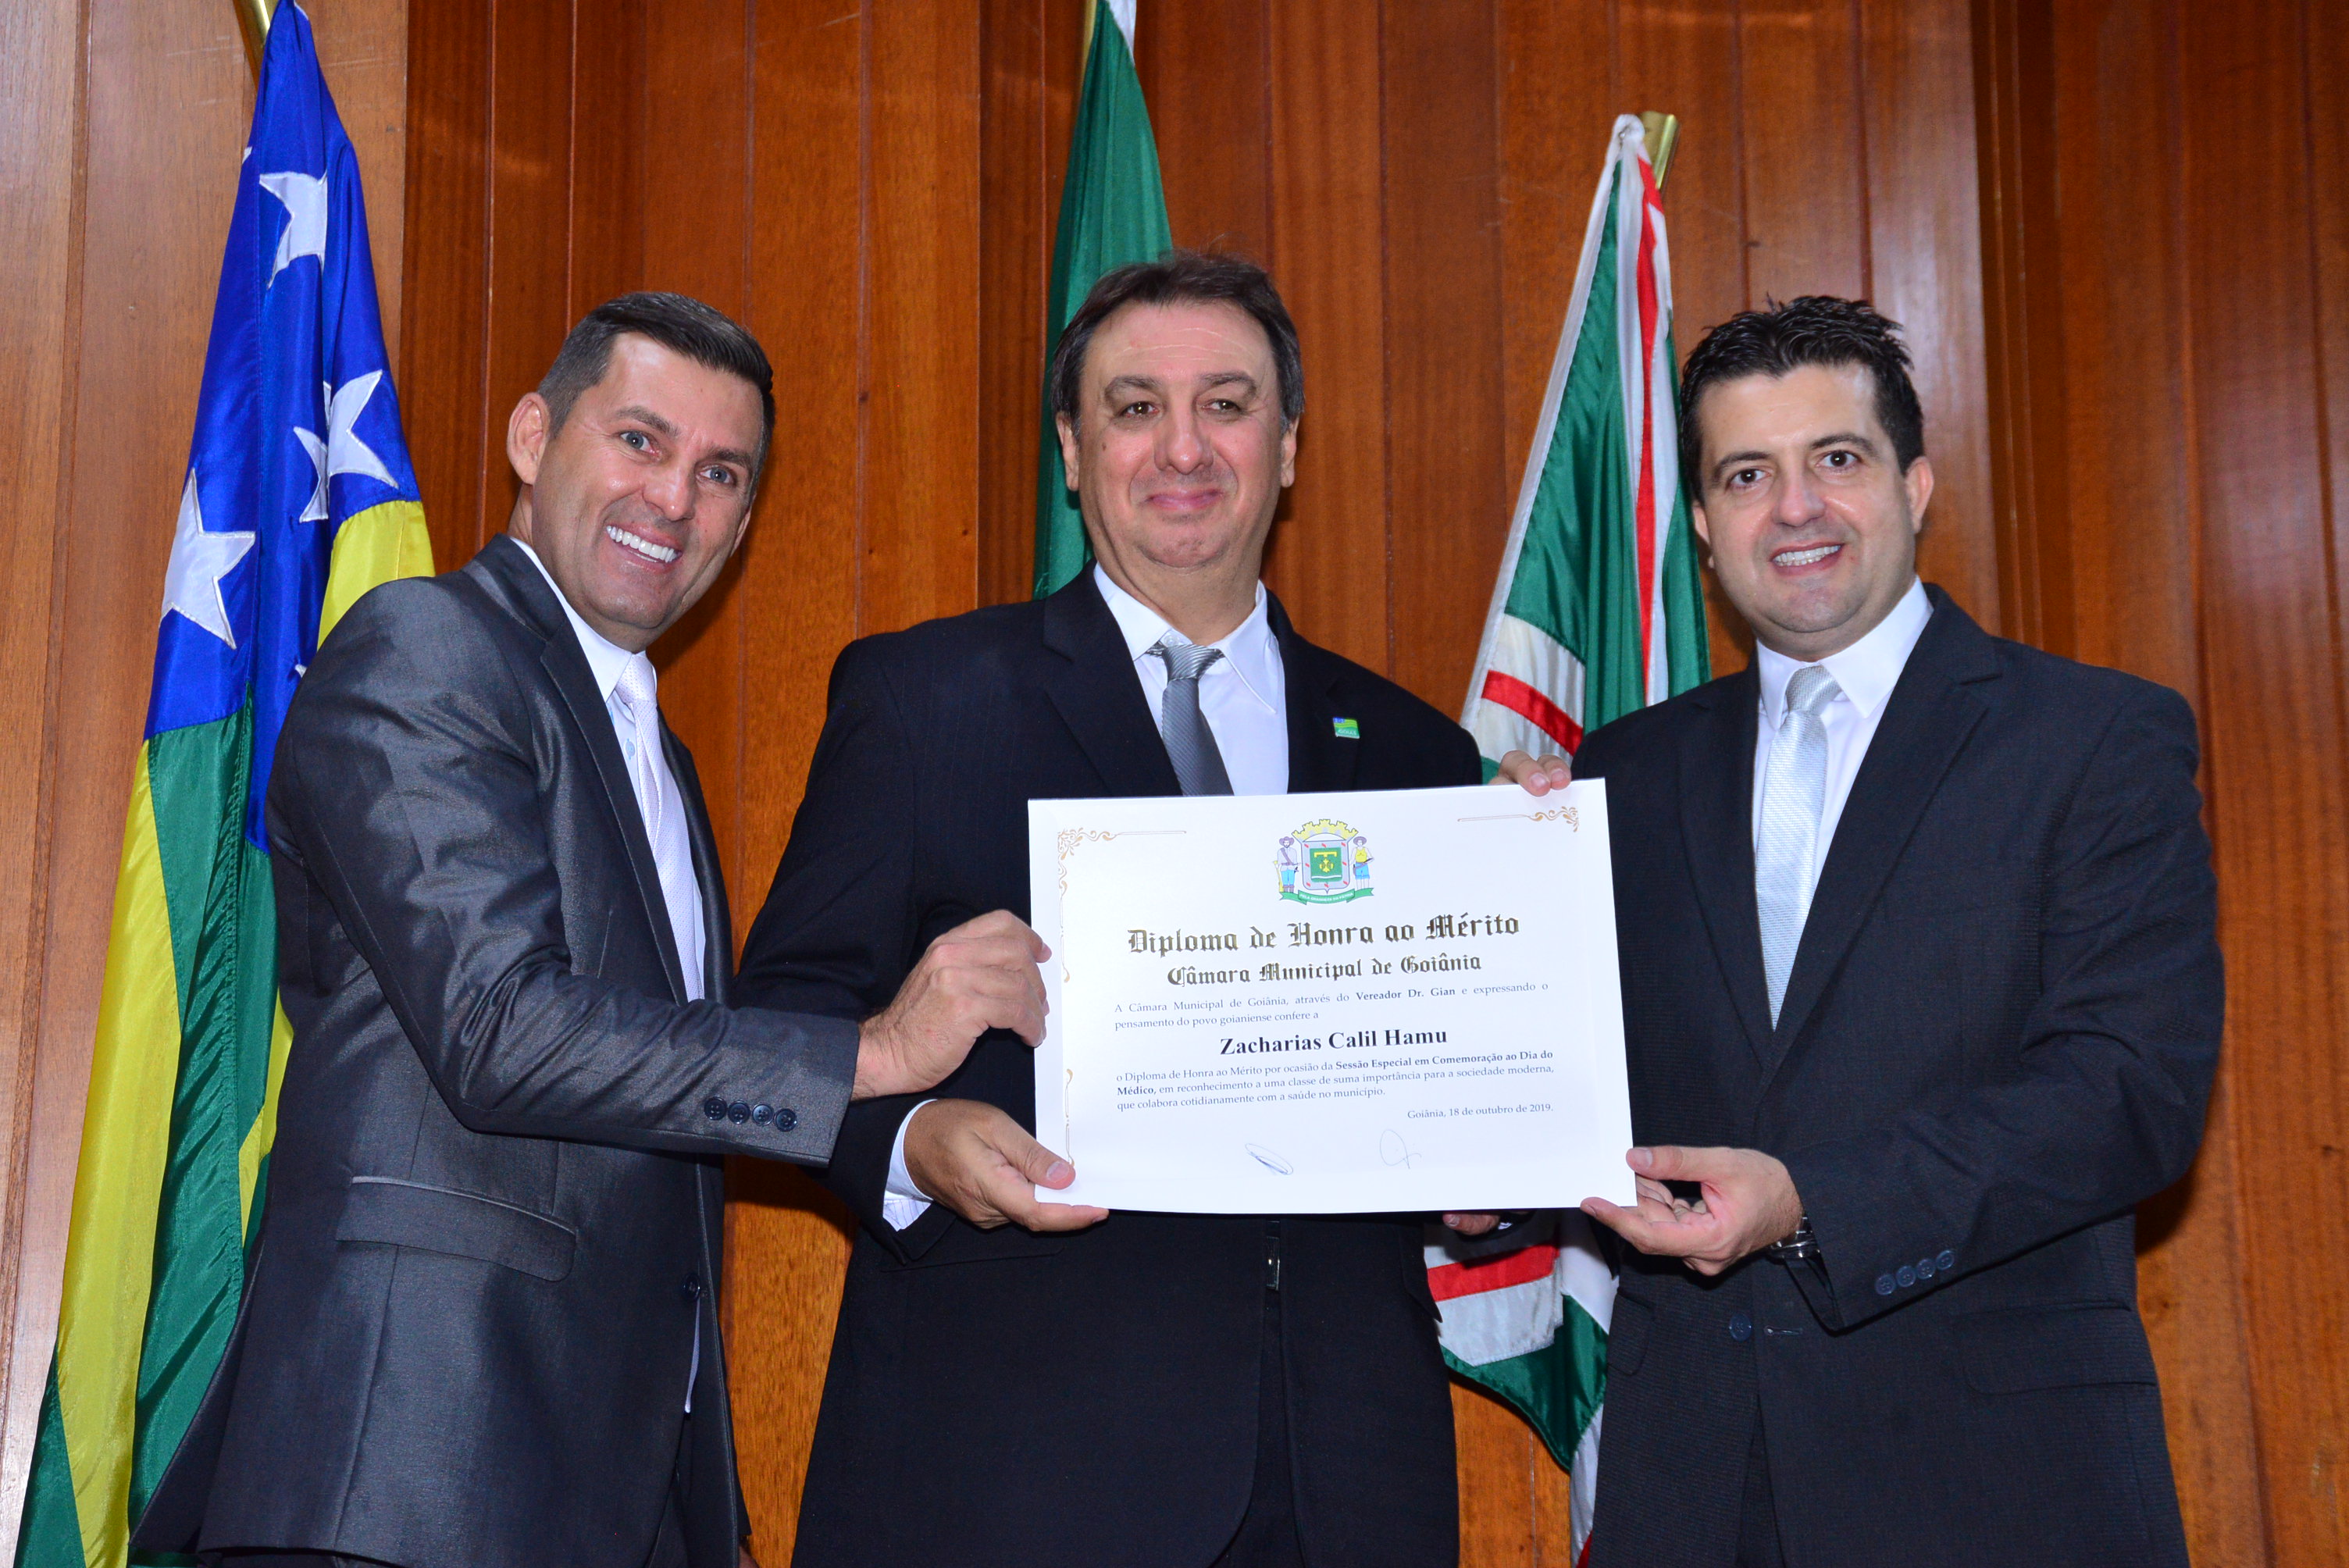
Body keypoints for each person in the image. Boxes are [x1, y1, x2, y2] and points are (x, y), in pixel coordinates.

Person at [134, 293, 1047, 1568]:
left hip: (602, 1486)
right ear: (531, 437)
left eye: (720, 473)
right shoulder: (426, 646)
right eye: (639, 440)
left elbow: (657, 1115)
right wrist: (876, 1052)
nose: (673, 498)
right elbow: (500, 1029)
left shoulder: (655, 755)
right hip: (412, 1474)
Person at [735, 252, 1481, 1567]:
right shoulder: (923, 702)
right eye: (1136, 408)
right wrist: (911, 1142)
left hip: (1342, 1476)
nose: (1183, 447)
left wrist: (1496, 1159)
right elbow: (777, 1023)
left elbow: (1465, 1085)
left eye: (1227, 405)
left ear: (1288, 446)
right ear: (1075, 453)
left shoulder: (1420, 752)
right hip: (1013, 1466)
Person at [1501, 297, 2220, 1566]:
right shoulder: (1617, 777)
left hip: (1994, 1485)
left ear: (1915, 484)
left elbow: (2129, 1094)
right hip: (1691, 1489)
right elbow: (1574, 1087)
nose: (1796, 508)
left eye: (1836, 458)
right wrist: (1479, 1149)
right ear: (1705, 524)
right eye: (1747, 475)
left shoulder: (2094, 740)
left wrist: (1810, 1206)